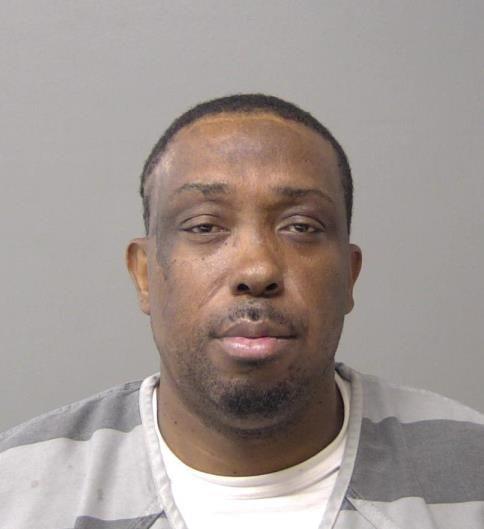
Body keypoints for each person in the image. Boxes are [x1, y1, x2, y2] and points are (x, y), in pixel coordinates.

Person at [1, 94, 483, 529]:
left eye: (301, 226)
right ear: (145, 274)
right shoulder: (16, 490)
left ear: (349, 277)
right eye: (204, 226)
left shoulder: (471, 469)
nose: (257, 269)